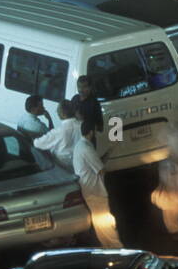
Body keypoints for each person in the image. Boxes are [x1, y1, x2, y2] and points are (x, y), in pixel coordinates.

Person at [73, 120, 122, 248]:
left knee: (100, 221)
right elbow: (101, 169)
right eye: (95, 130)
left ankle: (107, 247)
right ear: (91, 132)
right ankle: (116, 247)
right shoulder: (86, 148)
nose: (96, 133)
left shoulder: (81, 146)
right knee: (105, 220)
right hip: (95, 190)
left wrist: (111, 149)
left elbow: (98, 163)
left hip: (90, 190)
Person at [34, 100, 80, 169]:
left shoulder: (58, 131)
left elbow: (37, 143)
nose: (57, 113)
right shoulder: (82, 126)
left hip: (62, 166)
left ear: (63, 114)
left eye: (58, 111)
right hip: (79, 165)